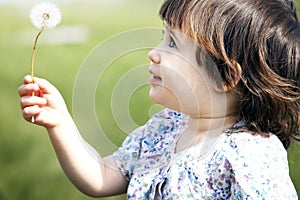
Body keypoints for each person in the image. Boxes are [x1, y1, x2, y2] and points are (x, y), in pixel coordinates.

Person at [18, 0, 300, 199]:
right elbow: (100, 177)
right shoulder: (165, 127)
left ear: (225, 76)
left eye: (173, 44)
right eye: (163, 37)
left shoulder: (251, 158)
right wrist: (60, 124)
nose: (154, 52)